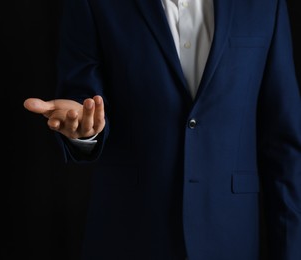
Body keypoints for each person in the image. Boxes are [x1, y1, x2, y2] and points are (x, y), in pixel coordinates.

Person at [24, 0, 301, 259]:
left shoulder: (266, 4)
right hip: (129, 235)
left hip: (230, 237)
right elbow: (83, 101)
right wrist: (85, 130)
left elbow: (283, 144)